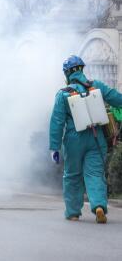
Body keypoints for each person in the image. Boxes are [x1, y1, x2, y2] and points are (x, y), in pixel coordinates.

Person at [49, 55, 122, 223]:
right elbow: (118, 99)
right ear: (82, 69)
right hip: (96, 137)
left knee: (73, 175)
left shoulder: (62, 94)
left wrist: (54, 148)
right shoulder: (97, 86)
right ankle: (98, 206)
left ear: (67, 74)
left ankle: (73, 213)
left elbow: (57, 123)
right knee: (95, 173)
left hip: (73, 140)